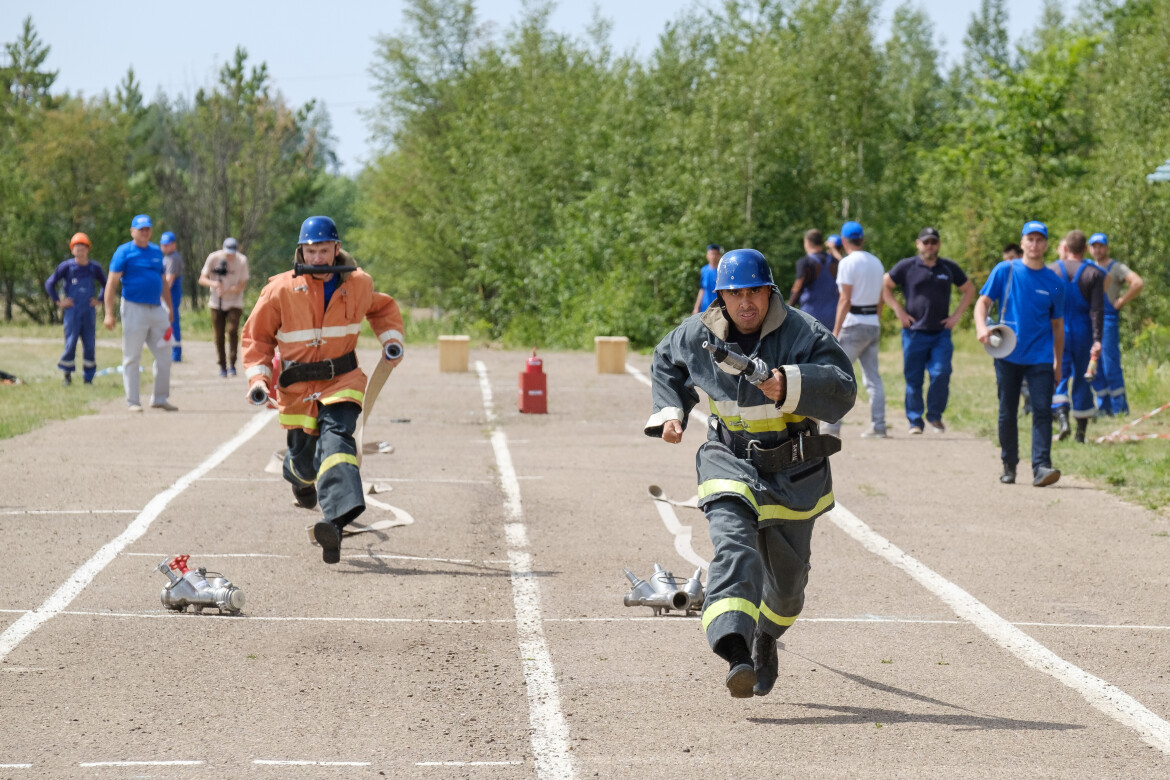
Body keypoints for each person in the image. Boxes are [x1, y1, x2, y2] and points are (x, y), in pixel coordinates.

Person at [644, 248, 855, 699]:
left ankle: (764, 637)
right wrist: (670, 411)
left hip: (795, 473)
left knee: (787, 589)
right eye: (735, 294)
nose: (746, 303)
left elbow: (843, 387)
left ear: (770, 291)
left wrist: (791, 384)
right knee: (735, 548)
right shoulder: (698, 334)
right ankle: (735, 651)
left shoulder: (803, 331)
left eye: (755, 292)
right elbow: (666, 360)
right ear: (721, 297)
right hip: (730, 462)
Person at [241, 216, 404, 565]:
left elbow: (383, 308)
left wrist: (391, 341)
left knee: (338, 442)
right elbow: (257, 338)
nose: (317, 258)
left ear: (336, 248)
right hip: (297, 389)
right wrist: (258, 380)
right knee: (303, 461)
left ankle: (335, 521)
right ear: (301, 250)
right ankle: (298, 476)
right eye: (311, 251)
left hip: (342, 381)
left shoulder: (359, 283)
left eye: (324, 250)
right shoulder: (280, 289)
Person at [974, 221, 1064, 486]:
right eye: (1030, 239)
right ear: (1022, 242)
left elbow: (1058, 326)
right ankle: (1009, 464)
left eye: (1040, 240)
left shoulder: (1056, 282)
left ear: (1046, 244)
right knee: (1007, 411)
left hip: (1041, 356)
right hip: (1007, 352)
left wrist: (1058, 363)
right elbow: (983, 302)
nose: (1035, 245)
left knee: (1042, 411)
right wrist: (982, 327)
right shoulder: (1006, 270)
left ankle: (1041, 467)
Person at [882, 227, 976, 434]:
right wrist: (899, 311)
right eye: (926, 242)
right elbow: (885, 285)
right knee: (914, 378)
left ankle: (935, 415)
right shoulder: (907, 266)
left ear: (939, 244)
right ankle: (915, 421)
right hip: (914, 332)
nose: (930, 246)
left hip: (941, 333)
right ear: (918, 244)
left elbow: (969, 290)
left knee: (941, 373)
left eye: (933, 242)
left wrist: (957, 315)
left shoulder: (948, 268)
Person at [103, 214, 176, 412]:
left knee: (165, 353)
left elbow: (163, 283)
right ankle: (133, 401)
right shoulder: (124, 252)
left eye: (148, 229)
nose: (145, 232)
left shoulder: (155, 251)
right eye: (141, 229)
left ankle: (160, 398)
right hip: (134, 308)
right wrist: (108, 313)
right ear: (132, 231)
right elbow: (111, 284)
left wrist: (169, 308)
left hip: (156, 308)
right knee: (132, 356)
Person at [827, 220, 886, 438]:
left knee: (839, 374)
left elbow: (845, 299)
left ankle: (832, 427)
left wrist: (835, 330)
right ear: (862, 239)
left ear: (843, 240)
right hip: (872, 322)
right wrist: (876, 320)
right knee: (873, 378)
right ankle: (879, 425)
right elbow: (881, 298)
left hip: (853, 324)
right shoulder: (877, 262)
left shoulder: (847, 263)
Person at [1049, 230, 1104, 443]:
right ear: (1085, 249)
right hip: (1084, 330)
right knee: (1083, 378)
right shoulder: (1094, 274)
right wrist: (1098, 339)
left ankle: (1062, 421)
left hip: (1059, 328)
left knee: (1059, 374)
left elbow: (1052, 301)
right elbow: (1097, 310)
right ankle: (1080, 433)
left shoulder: (1054, 271)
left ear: (1066, 248)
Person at [1088, 233, 1143, 416]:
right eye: (1094, 246)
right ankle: (1103, 408)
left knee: (1110, 362)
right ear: (1089, 249)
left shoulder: (1116, 267)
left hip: (1108, 318)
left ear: (1107, 248)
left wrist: (1120, 302)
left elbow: (1137, 283)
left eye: (1101, 246)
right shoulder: (1088, 267)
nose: (1098, 249)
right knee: (1095, 364)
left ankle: (1119, 408)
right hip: (1091, 319)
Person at [45, 232, 106, 386]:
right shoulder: (66, 267)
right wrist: (59, 301)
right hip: (72, 312)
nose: (80, 250)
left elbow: (107, 284)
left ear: (88, 249)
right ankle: (67, 376)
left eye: (83, 247)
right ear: (72, 250)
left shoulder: (94, 267)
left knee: (90, 345)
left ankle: (89, 378)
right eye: (77, 247)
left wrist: (100, 300)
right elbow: (49, 284)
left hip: (88, 313)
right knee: (70, 343)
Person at [199, 237, 250, 377]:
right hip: (216, 302)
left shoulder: (242, 260)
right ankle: (222, 365)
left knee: (233, 330)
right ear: (222, 248)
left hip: (235, 301)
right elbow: (202, 279)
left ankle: (233, 363)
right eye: (227, 252)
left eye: (232, 253)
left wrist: (229, 290)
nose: (230, 256)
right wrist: (215, 284)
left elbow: (242, 284)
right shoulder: (213, 258)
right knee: (218, 335)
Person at [1002, 243, 1032, 415]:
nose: (1009, 262)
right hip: (1009, 332)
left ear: (1021, 255)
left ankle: (1035, 404)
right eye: (1006, 259)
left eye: (1012, 258)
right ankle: (1026, 403)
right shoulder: (1004, 276)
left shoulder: (1035, 275)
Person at [787, 229, 837, 330]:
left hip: (810, 317)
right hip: (832, 317)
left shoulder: (805, 262)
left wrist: (787, 310)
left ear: (807, 243)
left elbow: (797, 288)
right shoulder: (834, 262)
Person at [161, 232, 184, 363]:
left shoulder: (172, 258)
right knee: (169, 323)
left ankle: (176, 354)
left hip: (171, 295)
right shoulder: (168, 257)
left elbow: (169, 280)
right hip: (169, 295)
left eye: (167, 244)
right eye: (163, 244)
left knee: (172, 322)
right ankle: (172, 352)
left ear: (174, 244)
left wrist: (160, 295)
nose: (164, 246)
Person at [692, 244, 723, 314]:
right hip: (705, 307)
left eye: (715, 254)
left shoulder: (722, 271)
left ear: (719, 256)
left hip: (718, 307)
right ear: (707, 255)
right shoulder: (704, 270)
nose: (713, 256)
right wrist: (696, 307)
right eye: (711, 254)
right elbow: (702, 289)